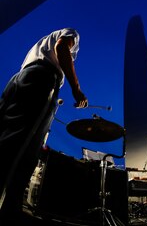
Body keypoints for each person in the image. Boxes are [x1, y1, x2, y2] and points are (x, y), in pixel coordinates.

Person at [0, 28, 88, 225]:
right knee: (24, 148)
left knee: (6, 138)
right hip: (42, 80)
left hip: (20, 79)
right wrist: (76, 89)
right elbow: (62, 48)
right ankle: (7, 213)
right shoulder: (70, 34)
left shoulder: (41, 44)